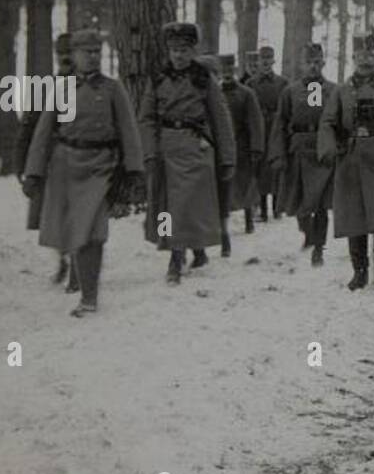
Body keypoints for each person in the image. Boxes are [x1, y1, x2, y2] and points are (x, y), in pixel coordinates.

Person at [21, 29, 144, 316]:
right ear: (73, 56)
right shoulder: (60, 88)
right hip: (65, 166)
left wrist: (135, 171)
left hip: (101, 167)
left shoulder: (113, 89)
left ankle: (89, 297)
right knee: (74, 230)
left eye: (96, 52)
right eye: (86, 52)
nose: (92, 57)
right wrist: (33, 173)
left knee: (93, 232)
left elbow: (130, 132)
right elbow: (43, 133)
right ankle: (80, 284)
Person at [140, 22, 236, 284]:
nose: (178, 55)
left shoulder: (204, 79)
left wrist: (227, 158)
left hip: (196, 148)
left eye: (183, 49)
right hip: (165, 150)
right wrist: (149, 152)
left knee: (184, 207)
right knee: (168, 208)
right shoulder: (158, 78)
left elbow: (221, 118)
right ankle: (196, 251)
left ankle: (176, 258)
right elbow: (146, 118)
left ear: (193, 50)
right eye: (173, 50)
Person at [320, 32, 374, 289]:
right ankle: (359, 271)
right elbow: (327, 121)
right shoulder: (340, 92)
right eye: (360, 55)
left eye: (370, 55)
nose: (365, 60)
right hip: (351, 159)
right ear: (353, 58)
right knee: (354, 216)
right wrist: (328, 149)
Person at [16, 32, 77, 289]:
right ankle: (63, 259)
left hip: (84, 159)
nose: (65, 63)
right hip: (52, 162)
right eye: (61, 58)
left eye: (69, 57)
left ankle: (77, 264)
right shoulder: (44, 88)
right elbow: (29, 128)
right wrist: (23, 165)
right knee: (54, 217)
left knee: (79, 215)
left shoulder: (92, 87)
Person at [270, 42, 338, 266]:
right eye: (309, 63)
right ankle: (307, 231)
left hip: (322, 151)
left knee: (319, 205)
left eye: (317, 63)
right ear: (301, 65)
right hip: (297, 150)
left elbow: (336, 120)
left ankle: (318, 248)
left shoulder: (332, 90)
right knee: (300, 204)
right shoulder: (290, 92)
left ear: (324, 64)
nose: (313, 67)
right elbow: (280, 124)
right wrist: (278, 154)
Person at [215, 54, 266, 254]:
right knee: (223, 192)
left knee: (244, 185)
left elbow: (255, 121)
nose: (227, 74)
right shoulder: (215, 93)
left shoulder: (246, 94)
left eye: (230, 70)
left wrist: (256, 147)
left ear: (235, 71)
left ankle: (248, 219)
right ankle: (223, 233)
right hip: (221, 149)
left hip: (242, 148)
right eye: (224, 71)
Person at [251, 44, 290, 221]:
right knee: (259, 169)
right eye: (263, 59)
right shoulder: (251, 84)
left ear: (273, 61)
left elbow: (287, 109)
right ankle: (262, 209)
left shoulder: (283, 83)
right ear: (258, 62)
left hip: (276, 128)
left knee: (275, 166)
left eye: (269, 59)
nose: (266, 63)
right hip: (258, 129)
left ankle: (277, 207)